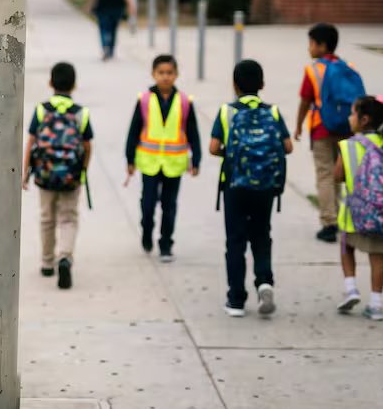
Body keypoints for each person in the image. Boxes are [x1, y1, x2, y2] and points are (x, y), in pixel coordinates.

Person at [210, 60, 293, 318]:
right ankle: (264, 281)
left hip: (235, 186)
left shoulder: (227, 112)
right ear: (262, 85)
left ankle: (236, 299)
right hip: (266, 187)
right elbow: (287, 146)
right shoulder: (274, 112)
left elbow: (214, 147)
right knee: (261, 234)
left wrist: (232, 155)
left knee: (235, 240)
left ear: (234, 85)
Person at [334, 96, 383, 322]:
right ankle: (376, 304)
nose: (350, 118)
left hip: (354, 213)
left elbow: (337, 176)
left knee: (347, 247)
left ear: (364, 119)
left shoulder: (349, 145)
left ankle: (351, 288)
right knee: (377, 257)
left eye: (352, 113)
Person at [24, 62, 93, 290]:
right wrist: (82, 170)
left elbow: (32, 142)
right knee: (68, 218)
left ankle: (46, 262)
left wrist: (26, 172)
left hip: (45, 174)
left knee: (47, 217)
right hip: (71, 176)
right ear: (74, 85)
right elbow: (87, 145)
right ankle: (65, 257)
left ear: (50, 83)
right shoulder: (81, 113)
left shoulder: (42, 110)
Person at [125, 55, 201, 262]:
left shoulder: (185, 101)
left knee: (169, 206)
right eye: (161, 73)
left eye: (169, 73)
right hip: (149, 162)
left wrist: (197, 159)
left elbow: (193, 132)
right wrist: (130, 159)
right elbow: (134, 131)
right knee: (148, 204)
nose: (165, 77)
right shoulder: (144, 100)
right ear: (153, 74)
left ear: (176, 75)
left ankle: (166, 243)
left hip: (174, 163)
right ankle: (147, 231)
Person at [294, 23, 364, 244]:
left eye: (311, 43)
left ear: (321, 46)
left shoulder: (313, 70)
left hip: (321, 128)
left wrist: (298, 125)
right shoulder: (348, 67)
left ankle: (329, 222)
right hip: (346, 128)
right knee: (342, 174)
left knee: (325, 175)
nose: (309, 48)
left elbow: (305, 101)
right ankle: (346, 218)